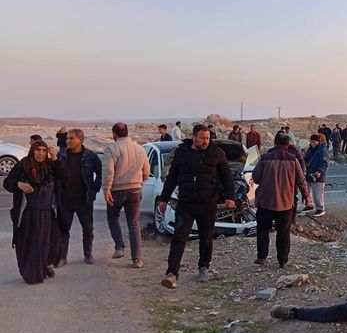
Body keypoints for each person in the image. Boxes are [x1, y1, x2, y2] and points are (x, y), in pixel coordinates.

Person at [158, 124, 236, 289]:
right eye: (202, 138)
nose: (205, 141)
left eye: (207, 138)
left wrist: (230, 196)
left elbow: (227, 176)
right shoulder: (181, 153)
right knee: (179, 238)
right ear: (194, 137)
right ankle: (172, 273)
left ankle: (203, 267)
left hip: (208, 203)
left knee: (206, 237)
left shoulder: (217, 153)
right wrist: (164, 199)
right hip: (186, 203)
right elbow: (172, 178)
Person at [3, 140, 64, 284]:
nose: (41, 153)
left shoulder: (50, 165)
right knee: (30, 244)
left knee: (47, 243)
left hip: (48, 212)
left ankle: (44, 267)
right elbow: (7, 183)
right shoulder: (23, 165)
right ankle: (32, 273)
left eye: (44, 150)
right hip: (28, 213)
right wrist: (19, 184)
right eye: (38, 150)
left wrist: (55, 158)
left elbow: (63, 176)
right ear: (32, 150)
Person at [252, 133, 311, 268]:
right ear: (287, 145)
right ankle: (282, 260)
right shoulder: (293, 160)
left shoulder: (264, 158)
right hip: (285, 204)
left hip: (265, 202)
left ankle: (262, 257)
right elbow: (301, 181)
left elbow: (255, 178)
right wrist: (306, 197)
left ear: (274, 143)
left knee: (262, 230)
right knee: (283, 232)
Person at [102, 122, 150, 268]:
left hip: (116, 191)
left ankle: (119, 247)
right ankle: (137, 259)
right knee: (133, 223)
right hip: (135, 190)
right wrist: (141, 180)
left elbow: (108, 172)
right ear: (127, 133)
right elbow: (146, 170)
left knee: (112, 217)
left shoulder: (111, 148)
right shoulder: (140, 148)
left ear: (114, 134)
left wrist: (106, 190)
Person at [55, 129, 102, 266]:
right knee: (63, 230)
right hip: (65, 199)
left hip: (84, 200)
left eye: (71, 138)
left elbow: (100, 173)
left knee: (87, 229)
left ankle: (88, 255)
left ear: (80, 140)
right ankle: (62, 257)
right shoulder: (61, 155)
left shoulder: (91, 156)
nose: (68, 141)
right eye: (67, 138)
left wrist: (94, 190)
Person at [304, 134, 328, 217]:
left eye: (314, 141)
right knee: (306, 191)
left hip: (318, 175)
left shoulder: (322, 149)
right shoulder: (310, 149)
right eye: (311, 141)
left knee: (317, 193)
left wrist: (319, 171)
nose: (312, 142)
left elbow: (324, 162)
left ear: (318, 141)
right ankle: (309, 205)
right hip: (309, 173)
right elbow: (306, 159)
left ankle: (320, 209)